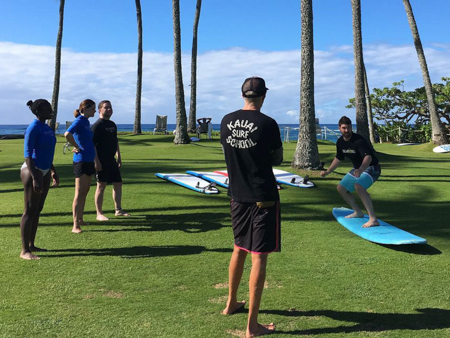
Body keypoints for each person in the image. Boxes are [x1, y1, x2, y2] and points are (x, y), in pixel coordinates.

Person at [220, 77, 283, 337]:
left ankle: (230, 303)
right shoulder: (268, 123)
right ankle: (252, 327)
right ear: (263, 96)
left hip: (237, 195)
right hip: (262, 196)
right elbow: (277, 157)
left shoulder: (225, 121)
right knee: (259, 256)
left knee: (239, 248)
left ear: (243, 95)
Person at [320, 116, 381, 228]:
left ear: (351, 127)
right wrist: (327, 171)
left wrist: (361, 169)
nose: (346, 131)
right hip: (358, 169)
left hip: (372, 168)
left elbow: (368, 157)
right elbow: (339, 158)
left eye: (348, 128)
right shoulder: (340, 142)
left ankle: (373, 219)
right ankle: (358, 212)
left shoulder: (359, 140)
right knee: (341, 188)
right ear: (339, 128)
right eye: (344, 128)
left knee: (359, 186)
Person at [20, 99, 59, 260]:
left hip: (44, 170)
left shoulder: (47, 128)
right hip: (31, 171)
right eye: (48, 108)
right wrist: (36, 177)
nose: (52, 110)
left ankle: (31, 244)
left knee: (37, 209)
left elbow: (47, 153)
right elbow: (28, 155)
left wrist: (52, 171)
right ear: (40, 111)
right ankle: (24, 251)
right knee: (29, 210)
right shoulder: (33, 128)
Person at [64, 99, 101, 233]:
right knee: (79, 193)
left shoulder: (86, 121)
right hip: (81, 160)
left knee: (85, 192)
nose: (95, 111)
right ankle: (75, 225)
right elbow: (67, 134)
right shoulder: (79, 121)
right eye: (92, 109)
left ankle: (80, 219)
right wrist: (76, 147)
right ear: (84, 109)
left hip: (89, 160)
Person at [91, 100, 130, 221]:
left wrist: (119, 157)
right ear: (100, 110)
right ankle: (99, 213)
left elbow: (115, 141)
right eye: (106, 108)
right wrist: (96, 161)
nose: (109, 110)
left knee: (118, 184)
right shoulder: (97, 125)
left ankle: (118, 210)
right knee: (101, 186)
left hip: (111, 160)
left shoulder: (112, 124)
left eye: (110, 108)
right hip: (101, 160)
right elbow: (92, 145)